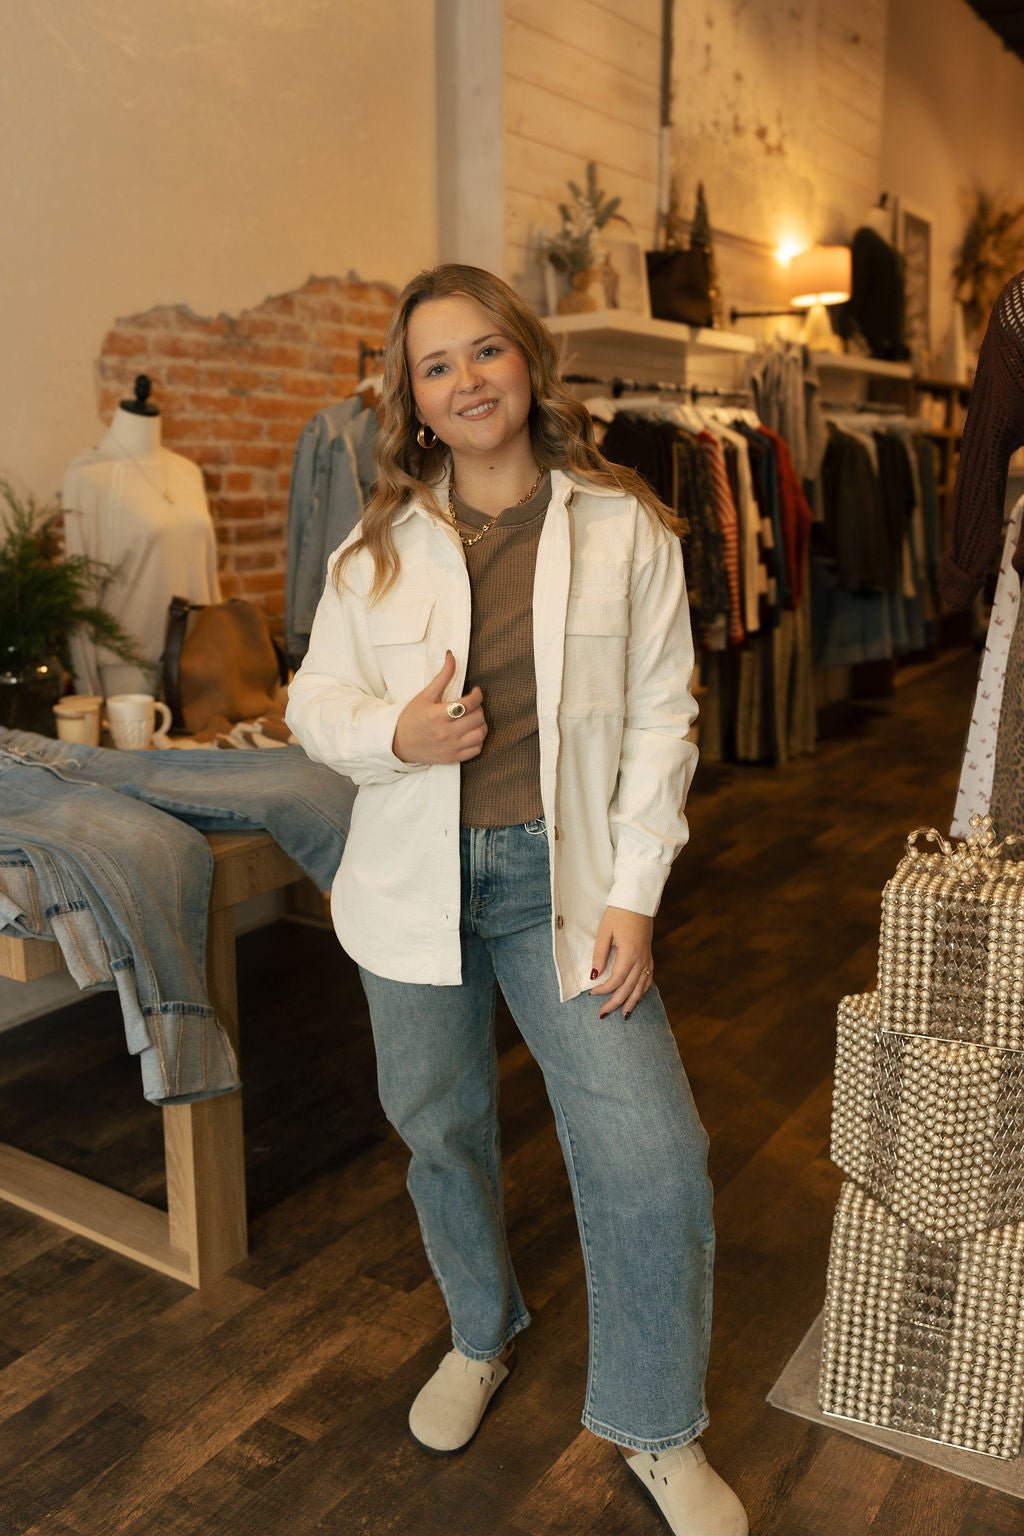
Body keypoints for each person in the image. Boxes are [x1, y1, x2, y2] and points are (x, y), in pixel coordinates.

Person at [285, 264, 747, 1536]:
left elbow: (661, 718)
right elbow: (312, 703)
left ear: (527, 361)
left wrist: (637, 895)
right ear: (414, 400)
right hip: (409, 887)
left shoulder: (623, 525)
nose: (467, 380)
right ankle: (480, 1333)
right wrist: (396, 734)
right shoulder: (373, 549)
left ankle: (659, 1426)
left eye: (485, 350)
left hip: (567, 885)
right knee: (440, 1130)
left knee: (655, 1152)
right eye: (436, 366)